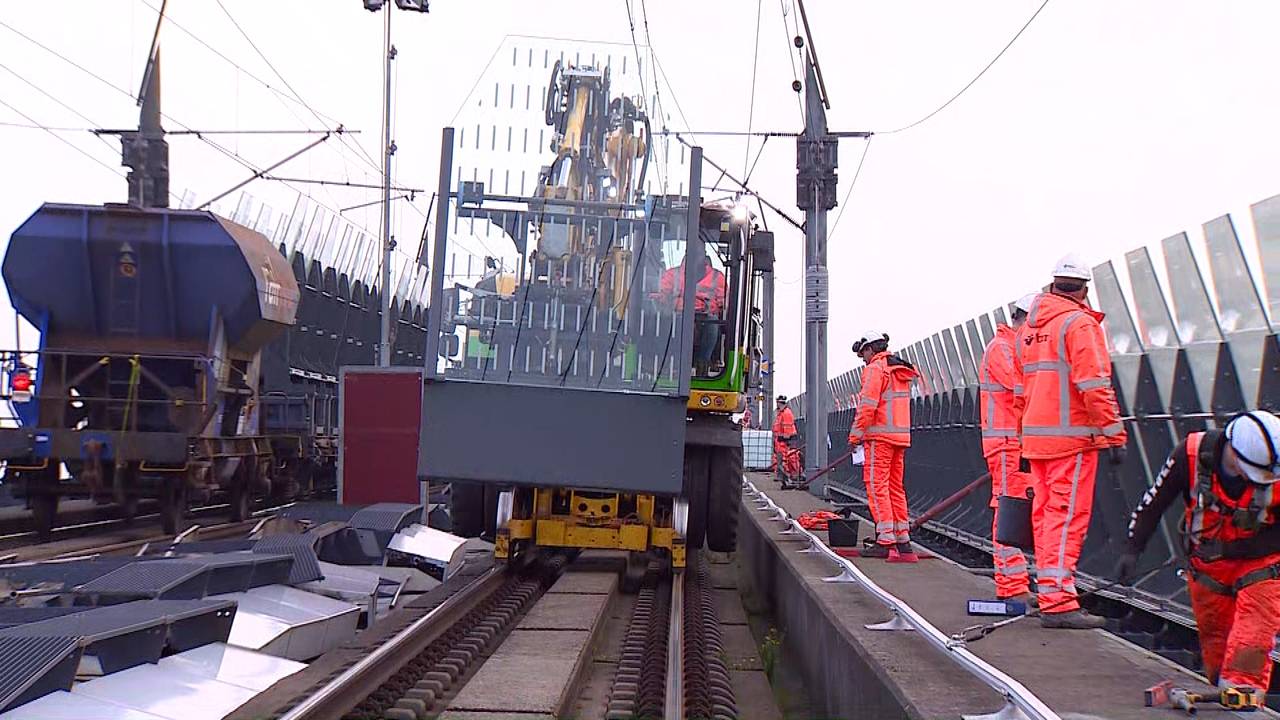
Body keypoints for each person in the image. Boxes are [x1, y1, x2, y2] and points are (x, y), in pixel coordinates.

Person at [1118, 411, 1280, 705]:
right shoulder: (1190, 455)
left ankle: (1242, 701)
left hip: (1262, 562)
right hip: (1208, 569)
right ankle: (1224, 691)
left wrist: (1231, 550)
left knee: (1252, 635)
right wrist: (1133, 550)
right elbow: (1154, 502)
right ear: (1234, 453)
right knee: (1216, 643)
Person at [1013, 253, 1126, 629]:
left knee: (1046, 519)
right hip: (1072, 441)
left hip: (1038, 441)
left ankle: (1050, 593)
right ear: (1083, 290)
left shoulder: (1029, 330)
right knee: (1066, 520)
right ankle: (1059, 602)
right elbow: (1093, 385)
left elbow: (1021, 392)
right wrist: (1114, 433)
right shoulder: (1079, 324)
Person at [980, 293, 1038, 605]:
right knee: (1009, 508)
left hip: (1015, 442)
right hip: (1005, 443)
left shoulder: (1010, 347)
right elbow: (1023, 387)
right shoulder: (1002, 348)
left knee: (1018, 507)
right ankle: (1011, 584)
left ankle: (1017, 580)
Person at [848, 331, 920, 562]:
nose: (863, 360)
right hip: (899, 437)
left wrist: (856, 435)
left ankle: (884, 539)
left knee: (877, 486)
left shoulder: (875, 369)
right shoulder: (898, 370)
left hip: (879, 437)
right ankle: (903, 541)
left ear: (870, 349)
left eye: (863, 355)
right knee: (895, 488)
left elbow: (868, 405)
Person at [654, 254, 726, 369]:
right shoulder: (672, 275)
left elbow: (724, 301)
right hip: (678, 313)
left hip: (705, 315)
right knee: (673, 324)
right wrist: (675, 303)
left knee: (713, 324)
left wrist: (706, 306)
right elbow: (661, 295)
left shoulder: (717, 277)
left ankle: (703, 363)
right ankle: (674, 362)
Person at [772, 395, 800, 483]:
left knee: (787, 458)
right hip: (780, 441)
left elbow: (787, 431)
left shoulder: (786, 413)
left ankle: (792, 475)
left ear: (779, 403)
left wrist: (784, 439)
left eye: (777, 402)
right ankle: (782, 475)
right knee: (780, 459)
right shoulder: (781, 413)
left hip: (784, 441)